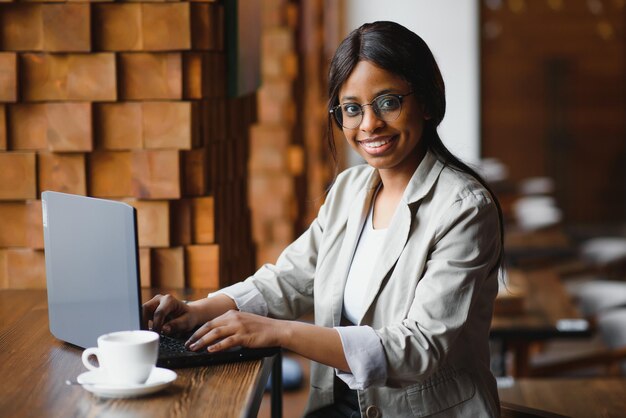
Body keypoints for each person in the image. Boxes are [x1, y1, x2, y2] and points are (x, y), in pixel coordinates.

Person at [143, 21, 504, 417]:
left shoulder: (464, 208)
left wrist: (279, 332)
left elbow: (419, 350)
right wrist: (198, 311)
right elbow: (288, 279)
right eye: (352, 109)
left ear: (427, 102)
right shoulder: (349, 190)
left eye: (388, 102)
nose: (369, 124)